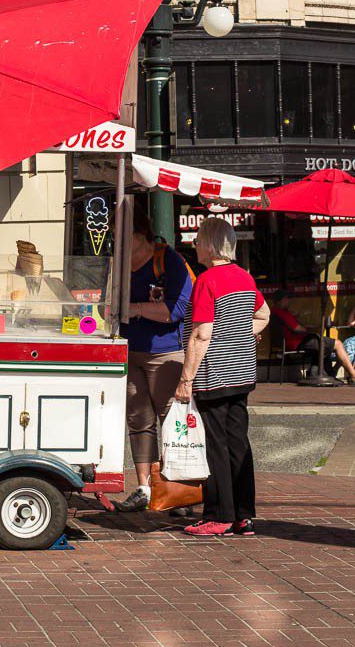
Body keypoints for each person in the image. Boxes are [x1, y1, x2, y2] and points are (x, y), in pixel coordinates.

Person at [175, 217, 270, 538]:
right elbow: (264, 314)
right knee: (238, 443)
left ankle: (219, 514)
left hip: (213, 373)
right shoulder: (244, 277)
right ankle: (244, 514)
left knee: (214, 445)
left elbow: (201, 334)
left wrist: (185, 379)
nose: (195, 245)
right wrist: (243, 335)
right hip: (242, 372)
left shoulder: (207, 281)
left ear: (211, 245)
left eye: (199, 240)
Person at [115, 207, 193, 512]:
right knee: (138, 421)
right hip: (129, 350)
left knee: (171, 422)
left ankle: (177, 491)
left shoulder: (169, 260)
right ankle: (145, 488)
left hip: (165, 353)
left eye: (121, 235)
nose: (116, 240)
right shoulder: (120, 264)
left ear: (138, 236)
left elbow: (176, 310)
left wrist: (135, 308)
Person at [270, 290, 337, 376]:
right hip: (297, 342)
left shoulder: (274, 311)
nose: (288, 301)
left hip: (290, 342)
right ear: (280, 300)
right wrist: (314, 329)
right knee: (337, 344)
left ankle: (319, 372)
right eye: (286, 298)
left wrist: (296, 317)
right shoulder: (282, 313)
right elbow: (298, 329)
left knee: (323, 346)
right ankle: (352, 375)